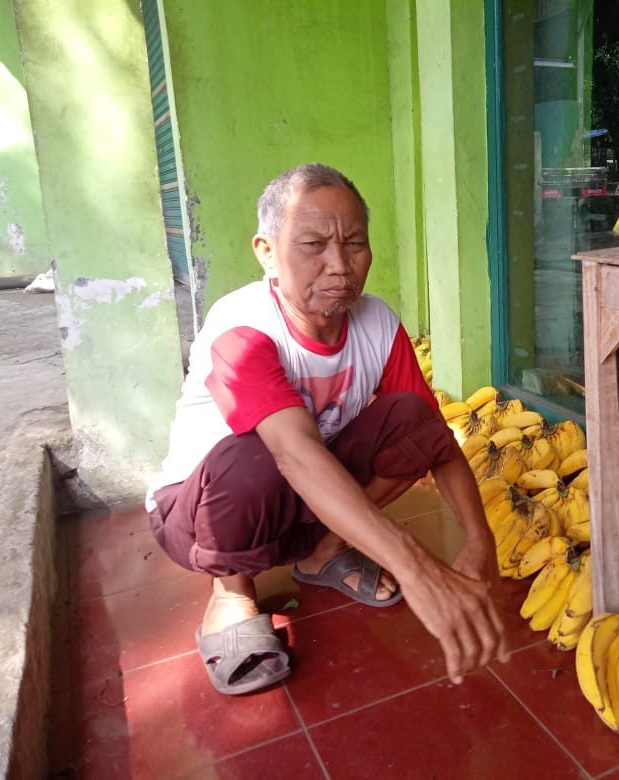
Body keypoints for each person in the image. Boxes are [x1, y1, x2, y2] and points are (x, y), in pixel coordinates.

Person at [145, 163, 510, 695]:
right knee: (256, 454)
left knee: (409, 415)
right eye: (313, 245)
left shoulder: (378, 322)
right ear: (266, 252)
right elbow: (292, 454)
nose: (339, 266)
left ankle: (323, 552)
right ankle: (232, 595)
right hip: (199, 511)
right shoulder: (241, 327)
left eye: (355, 243)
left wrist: (480, 539)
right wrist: (415, 567)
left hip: (303, 495)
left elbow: (431, 437)